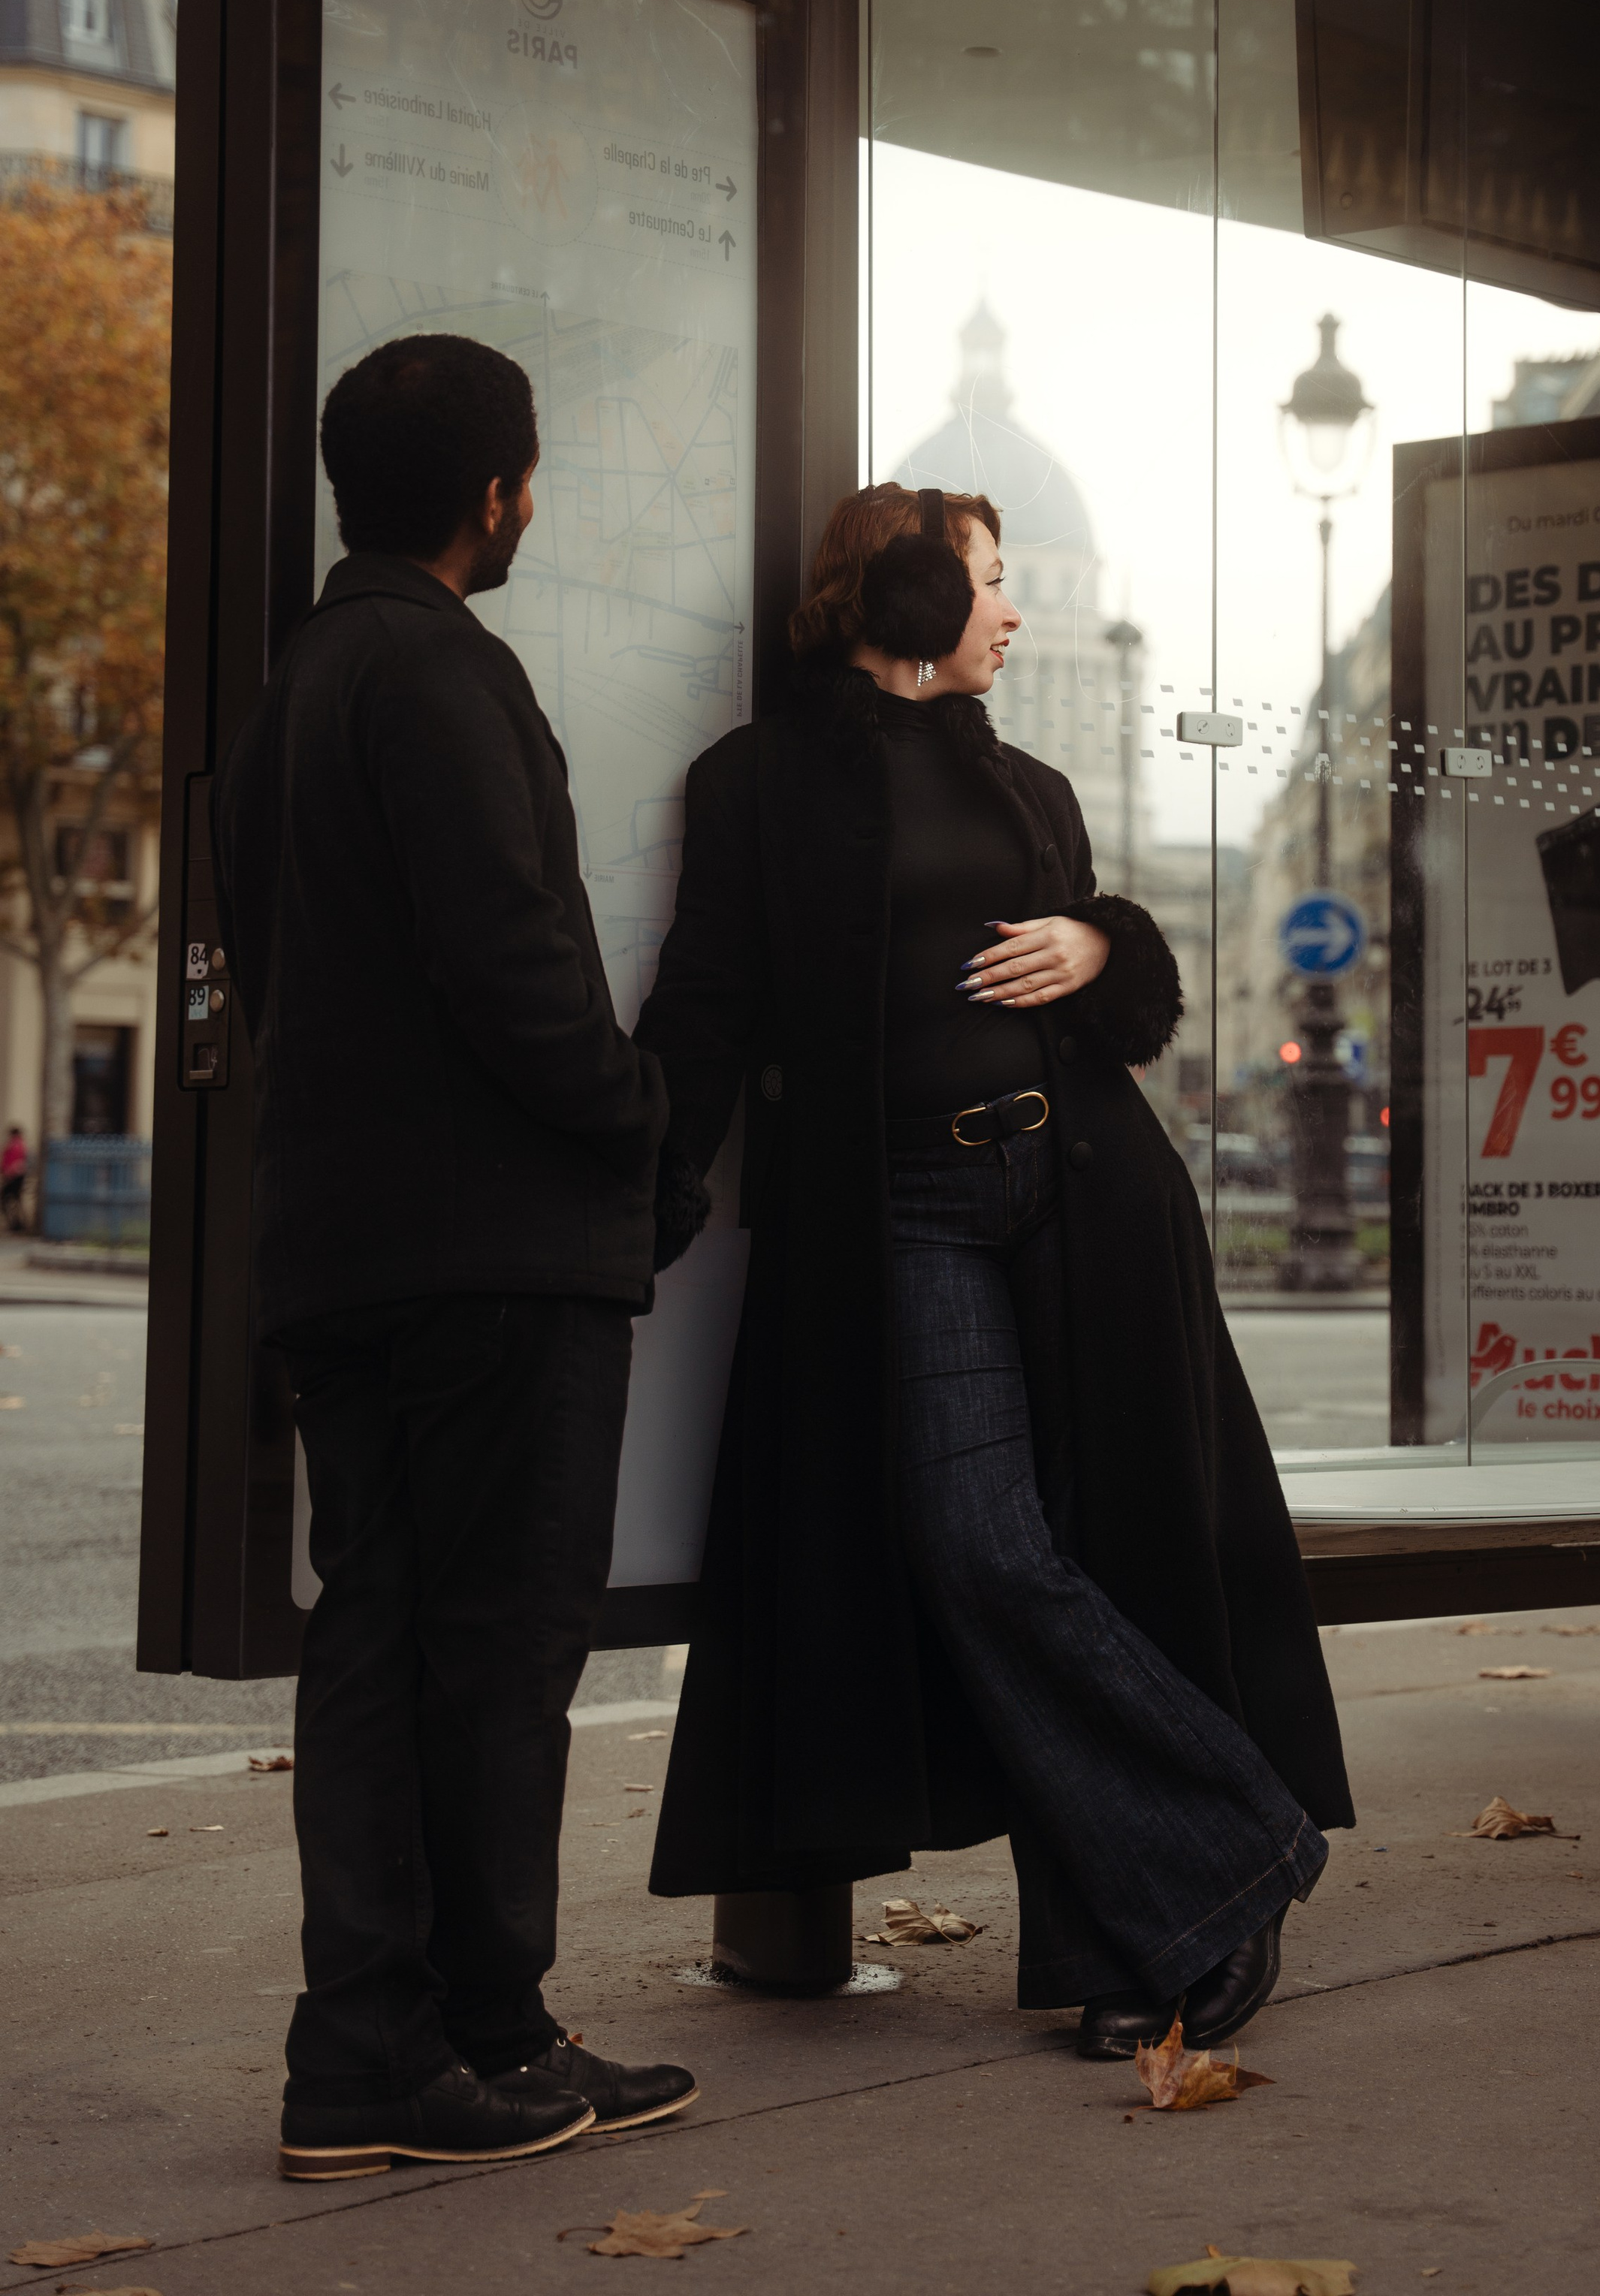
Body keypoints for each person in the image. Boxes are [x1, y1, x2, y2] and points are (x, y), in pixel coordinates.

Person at [637, 482, 1352, 2057]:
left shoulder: (1027, 784)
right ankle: (1232, 1840)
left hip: (1083, 1196)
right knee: (985, 1547)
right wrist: (624, 1197)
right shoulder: (760, 782)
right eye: (985, 580)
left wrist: (1106, 948)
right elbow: (703, 1013)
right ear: (900, 588)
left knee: (1105, 1549)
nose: (1014, 610)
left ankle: (1128, 1941)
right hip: (904, 1210)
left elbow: (1100, 960)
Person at [213, 334, 698, 2181]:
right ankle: (419, 2040)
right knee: (495, 1655)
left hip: (347, 1253)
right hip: (494, 1255)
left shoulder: (291, 695)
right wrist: (638, 1111)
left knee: (391, 1636)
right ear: (500, 492)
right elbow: (515, 964)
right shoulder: (444, 673)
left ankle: (438, 2034)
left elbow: (275, 971)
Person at [1, 1124, 26, 1232]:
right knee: (14, 1200)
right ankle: (17, 1223)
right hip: (15, 1177)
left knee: (8, 1199)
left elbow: (15, 1163)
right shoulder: (19, 1145)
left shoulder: (16, 1146)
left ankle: (16, 1224)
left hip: (14, 1178)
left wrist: (8, 1174)